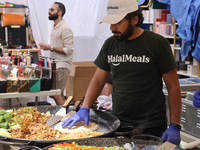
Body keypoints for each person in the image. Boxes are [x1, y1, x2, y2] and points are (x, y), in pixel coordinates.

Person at [62, 0, 181, 145]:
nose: (112, 28)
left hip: (152, 126)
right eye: (110, 23)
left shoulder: (157, 44)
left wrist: (175, 125)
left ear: (134, 20)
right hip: (117, 123)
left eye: (117, 22)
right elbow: (98, 81)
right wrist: (85, 107)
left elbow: (173, 86)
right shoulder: (110, 44)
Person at [39, 2, 74, 105]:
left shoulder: (65, 28)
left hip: (62, 66)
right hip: (57, 65)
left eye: (52, 10)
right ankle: (67, 116)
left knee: (55, 93)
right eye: (49, 9)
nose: (49, 11)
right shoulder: (56, 27)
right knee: (59, 93)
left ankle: (65, 118)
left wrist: (50, 48)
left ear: (60, 12)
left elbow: (69, 49)